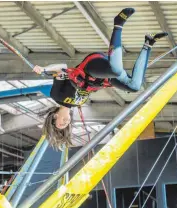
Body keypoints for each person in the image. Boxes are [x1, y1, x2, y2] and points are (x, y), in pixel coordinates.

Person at [33, 8, 168, 149]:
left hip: (90, 68)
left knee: (115, 70)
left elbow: (62, 67)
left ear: (54, 117)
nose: (65, 123)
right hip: (103, 78)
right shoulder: (78, 104)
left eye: (60, 124)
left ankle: (118, 23)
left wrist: (44, 69)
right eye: (65, 126)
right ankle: (149, 42)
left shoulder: (57, 95)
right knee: (134, 86)